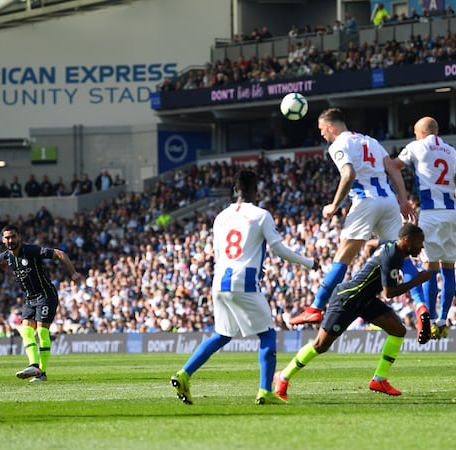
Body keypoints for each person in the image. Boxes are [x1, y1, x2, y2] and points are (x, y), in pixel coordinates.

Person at [170, 169, 319, 405]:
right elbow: (279, 250)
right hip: (245, 280)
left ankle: (184, 373)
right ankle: (264, 391)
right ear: (255, 190)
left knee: (222, 334)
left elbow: (220, 254)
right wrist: (309, 263)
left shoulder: (220, 217)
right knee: (268, 334)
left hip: (219, 281)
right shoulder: (261, 215)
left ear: (235, 190)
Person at [274, 223, 434, 399]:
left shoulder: (390, 245)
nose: (421, 247)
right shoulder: (392, 257)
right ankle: (283, 376)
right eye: (420, 242)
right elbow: (389, 293)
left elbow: (370, 245)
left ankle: (379, 379)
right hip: (347, 300)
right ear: (407, 241)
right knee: (320, 345)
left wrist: (370, 266)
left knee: (398, 330)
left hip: (365, 300)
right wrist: (418, 279)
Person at [289, 107, 414, 325]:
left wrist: (334, 205)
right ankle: (423, 306)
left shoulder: (339, 144)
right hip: (389, 201)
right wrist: (404, 201)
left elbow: (349, 174)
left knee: (343, 257)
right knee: (400, 254)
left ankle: (317, 307)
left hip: (366, 202)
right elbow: (394, 170)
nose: (321, 135)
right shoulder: (371, 141)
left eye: (321, 130)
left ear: (330, 127)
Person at [0, 224, 84, 382]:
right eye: (7, 238)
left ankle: (41, 372)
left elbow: (59, 253)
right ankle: (35, 367)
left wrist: (73, 272)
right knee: (25, 331)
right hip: (30, 299)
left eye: (13, 237)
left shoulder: (30, 250)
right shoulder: (5, 258)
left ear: (19, 237)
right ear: (3, 240)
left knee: (42, 331)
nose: (10, 240)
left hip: (46, 295)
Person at [394, 117, 456, 343]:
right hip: (452, 213)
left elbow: (394, 166)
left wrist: (402, 198)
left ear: (422, 132)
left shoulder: (417, 146)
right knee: (449, 268)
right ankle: (444, 320)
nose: (415, 136)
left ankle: (431, 319)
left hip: (431, 213)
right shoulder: (451, 151)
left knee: (430, 268)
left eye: (416, 132)